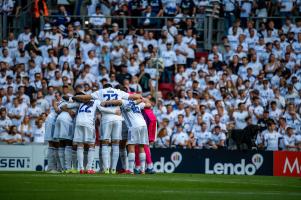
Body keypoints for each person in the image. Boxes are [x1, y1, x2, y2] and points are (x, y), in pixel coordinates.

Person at [101, 97, 152, 174]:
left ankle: (130, 170)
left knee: (131, 146)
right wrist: (142, 99)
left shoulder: (124, 102)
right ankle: (143, 170)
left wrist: (106, 102)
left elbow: (117, 102)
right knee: (141, 146)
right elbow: (149, 105)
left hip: (134, 126)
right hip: (143, 124)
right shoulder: (137, 104)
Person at [73, 98, 121, 174]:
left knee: (80, 145)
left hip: (78, 122)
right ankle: (88, 168)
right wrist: (114, 111)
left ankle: (81, 168)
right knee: (91, 145)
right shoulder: (96, 101)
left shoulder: (82, 102)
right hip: (88, 123)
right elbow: (102, 109)